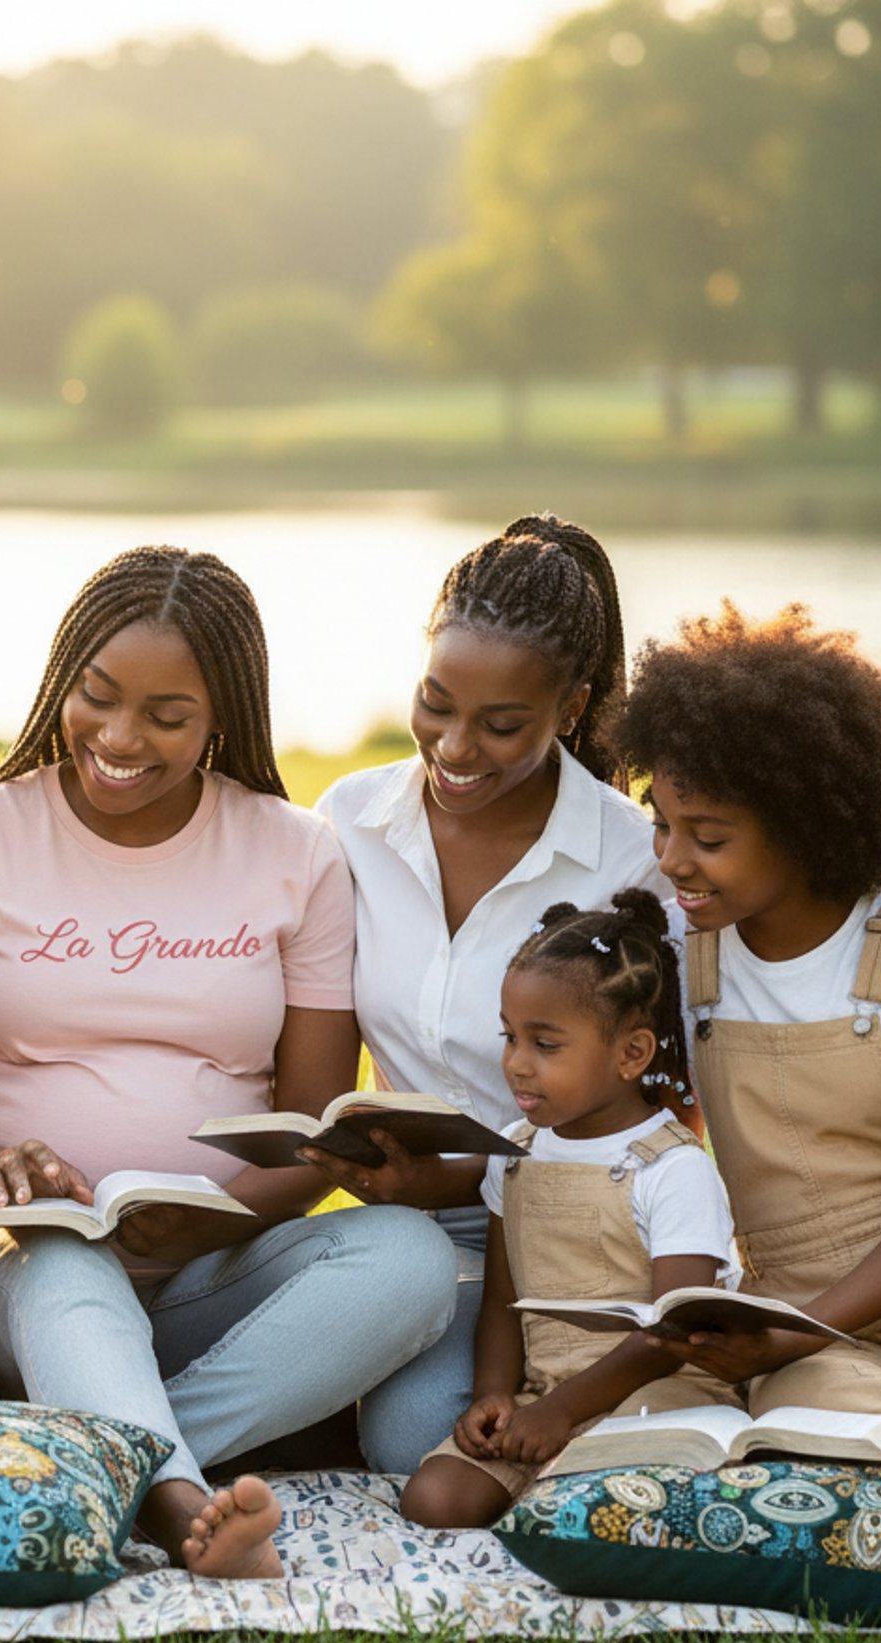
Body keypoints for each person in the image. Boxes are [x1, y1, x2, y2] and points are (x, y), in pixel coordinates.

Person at [0, 545, 459, 1580]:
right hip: (4, 1256)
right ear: (62, 680)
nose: (118, 737)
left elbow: (314, 1133)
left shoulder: (295, 852)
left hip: (211, 1272)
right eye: (96, 697)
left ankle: (99, 1453)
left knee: (410, 1258)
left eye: (166, 716)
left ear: (222, 715)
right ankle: (182, 1505)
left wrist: (216, 1218)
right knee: (67, 1260)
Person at [310, 514, 670, 1473]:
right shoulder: (351, 820)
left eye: (501, 726)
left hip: (564, 1232)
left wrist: (462, 1180)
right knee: (397, 1409)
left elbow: (665, 1110)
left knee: (410, 1440)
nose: (455, 746)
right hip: (392, 1229)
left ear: (573, 706)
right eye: (435, 703)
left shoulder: (630, 861)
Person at [613, 604, 881, 1460]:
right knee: (839, 1448)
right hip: (789, 1310)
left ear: (804, 828)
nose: (672, 859)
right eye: (663, 823)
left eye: (707, 837)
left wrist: (801, 1330)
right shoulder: (682, 958)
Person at [400, 892, 743, 1530]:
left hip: (657, 1392)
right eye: (509, 1037)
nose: (516, 1064)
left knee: (579, 1510)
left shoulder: (673, 1168)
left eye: (546, 1045)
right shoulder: (515, 1155)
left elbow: (675, 1333)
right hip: (542, 1395)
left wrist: (561, 1413)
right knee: (435, 1500)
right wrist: (495, 1397)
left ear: (632, 1054)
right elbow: (502, 1303)